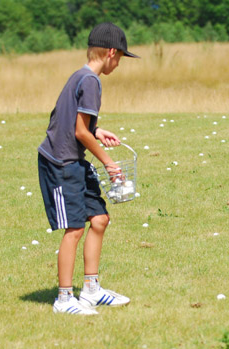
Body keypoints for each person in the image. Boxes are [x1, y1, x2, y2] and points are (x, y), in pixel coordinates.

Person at [37, 22, 139, 315]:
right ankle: (65, 298)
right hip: (60, 162)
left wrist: (97, 130)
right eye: (120, 57)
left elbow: (76, 123)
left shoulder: (81, 76)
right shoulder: (91, 81)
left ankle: (92, 290)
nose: (119, 63)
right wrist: (108, 162)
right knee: (74, 228)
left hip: (74, 160)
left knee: (100, 219)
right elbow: (78, 131)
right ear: (110, 52)